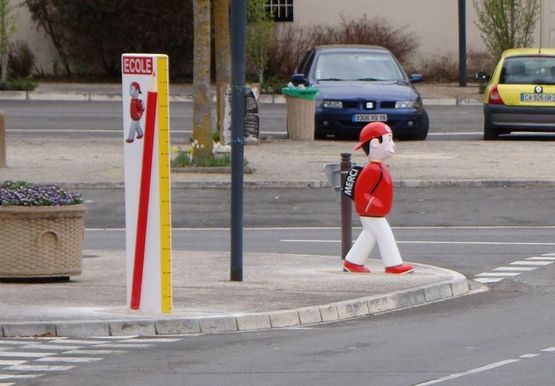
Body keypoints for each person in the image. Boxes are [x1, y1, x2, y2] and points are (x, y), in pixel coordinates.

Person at [343, 122, 414, 274]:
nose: (393, 144)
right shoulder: (372, 169)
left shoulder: (377, 167)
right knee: (384, 234)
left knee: (369, 235)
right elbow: (361, 192)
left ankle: (352, 262)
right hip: (371, 212)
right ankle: (393, 264)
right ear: (375, 143)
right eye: (389, 140)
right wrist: (374, 206)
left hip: (373, 211)